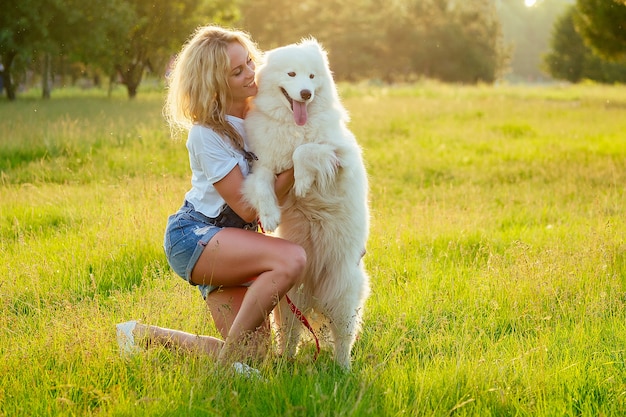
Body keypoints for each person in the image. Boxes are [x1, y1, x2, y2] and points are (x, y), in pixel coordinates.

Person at [116, 25, 307, 375]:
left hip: (238, 242)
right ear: (215, 83)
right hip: (196, 238)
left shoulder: (265, 113)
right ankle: (224, 368)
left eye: (249, 62)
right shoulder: (207, 134)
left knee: (252, 356)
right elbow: (248, 208)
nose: (252, 73)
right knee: (291, 259)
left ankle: (139, 335)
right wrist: (299, 162)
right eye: (238, 71)